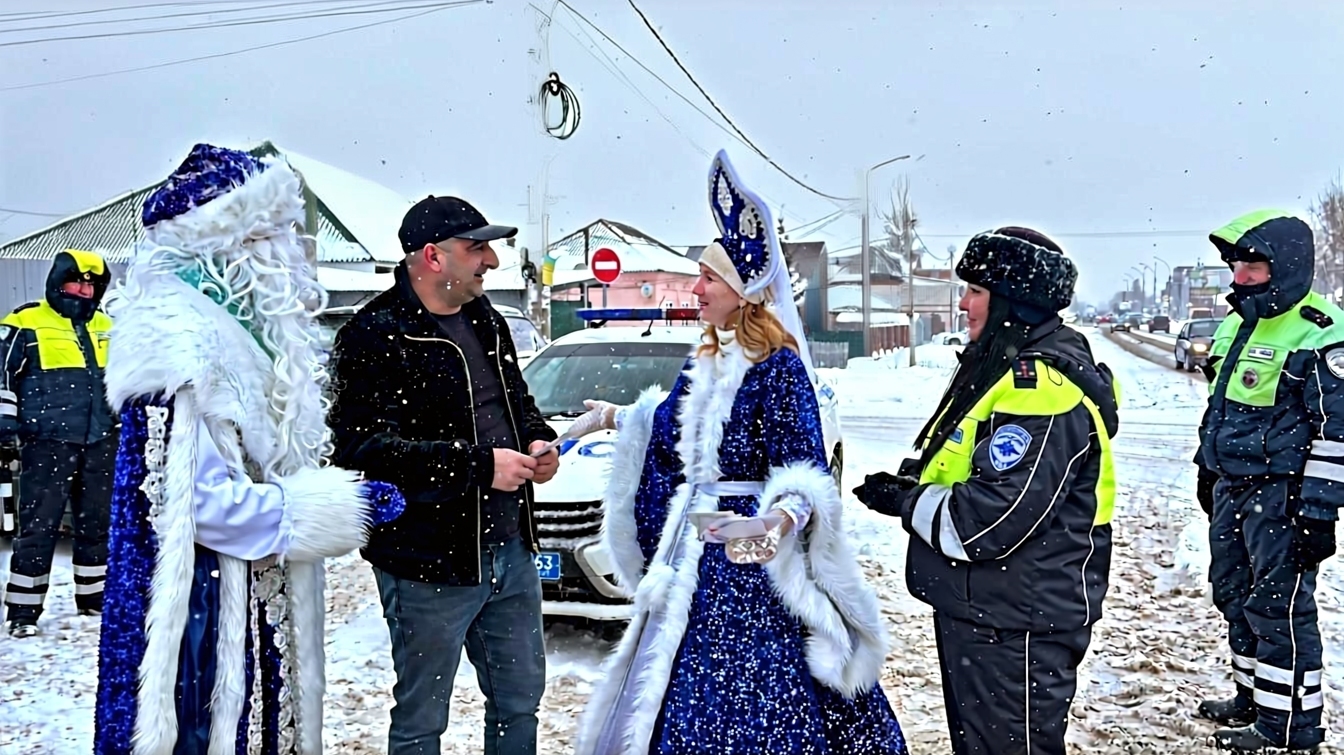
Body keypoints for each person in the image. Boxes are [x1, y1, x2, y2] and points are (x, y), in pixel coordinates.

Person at [573, 150, 907, 755]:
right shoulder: (704, 359)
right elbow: (673, 425)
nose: (696, 288)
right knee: (681, 672)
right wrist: (617, 417)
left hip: (748, 553)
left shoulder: (779, 368)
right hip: (690, 547)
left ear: (742, 290)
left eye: (708, 278)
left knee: (750, 678)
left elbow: (803, 468)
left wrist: (779, 519)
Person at [92, 143, 405, 755]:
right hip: (201, 616)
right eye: (263, 236)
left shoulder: (235, 331)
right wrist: (342, 508)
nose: (282, 253)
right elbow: (199, 507)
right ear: (219, 241)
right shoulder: (179, 342)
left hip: (246, 599)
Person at [854, 227, 1119, 755]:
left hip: (1015, 622)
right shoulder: (1004, 364)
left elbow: (987, 521)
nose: (963, 303)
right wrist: (915, 484)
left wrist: (905, 503)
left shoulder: (1038, 387)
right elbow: (974, 473)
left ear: (1011, 301)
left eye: (975, 290)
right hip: (990, 610)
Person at [329, 194, 560, 755]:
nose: (492, 261)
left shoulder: (488, 322)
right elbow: (364, 448)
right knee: (421, 720)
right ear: (432, 257)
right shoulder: (374, 334)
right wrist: (480, 468)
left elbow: (516, 403)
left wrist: (536, 438)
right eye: (476, 247)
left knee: (519, 700)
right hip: (428, 562)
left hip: (511, 548)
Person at [1193, 210, 1342, 753]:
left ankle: (1291, 729)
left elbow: (1336, 433)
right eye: (1235, 265)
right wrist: (1205, 466)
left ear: (1285, 265)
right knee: (1234, 596)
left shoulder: (1322, 329)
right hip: (1234, 488)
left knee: (1279, 608)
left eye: (1251, 265)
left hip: (1285, 495)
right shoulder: (1238, 323)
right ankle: (1254, 698)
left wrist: (1319, 511)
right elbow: (1220, 408)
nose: (1239, 276)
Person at [1, 248, 116, 638]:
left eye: (90, 285)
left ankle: (94, 599)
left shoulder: (107, 324)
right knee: (39, 526)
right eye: (76, 282)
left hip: (100, 439)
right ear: (57, 281)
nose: (83, 290)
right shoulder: (24, 322)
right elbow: (2, 377)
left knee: (97, 525)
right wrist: (5, 425)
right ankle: (23, 612)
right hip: (47, 441)